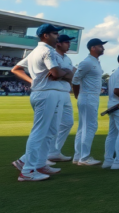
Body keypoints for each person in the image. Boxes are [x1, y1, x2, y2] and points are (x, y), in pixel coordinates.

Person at [10, 24, 72, 182]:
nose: (57, 36)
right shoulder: (46, 50)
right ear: (45, 35)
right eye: (54, 33)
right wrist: (66, 73)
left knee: (50, 131)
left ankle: (38, 164)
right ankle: (27, 171)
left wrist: (34, 81)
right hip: (46, 94)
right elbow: (57, 73)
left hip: (48, 92)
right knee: (39, 132)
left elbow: (16, 69)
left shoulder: (36, 51)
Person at [71, 38, 107, 166]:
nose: (103, 48)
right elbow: (75, 80)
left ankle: (78, 156)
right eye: (100, 46)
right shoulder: (86, 62)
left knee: (83, 127)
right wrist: (78, 95)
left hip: (91, 96)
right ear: (93, 48)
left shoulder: (95, 62)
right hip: (88, 96)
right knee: (90, 127)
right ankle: (84, 158)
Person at [47, 34, 77, 162]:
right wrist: (67, 74)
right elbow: (55, 75)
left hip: (65, 92)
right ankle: (46, 153)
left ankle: (54, 151)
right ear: (58, 43)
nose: (69, 44)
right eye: (66, 42)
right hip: (55, 91)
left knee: (68, 122)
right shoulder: (53, 55)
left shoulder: (67, 59)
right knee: (52, 125)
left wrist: (66, 74)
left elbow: (72, 74)